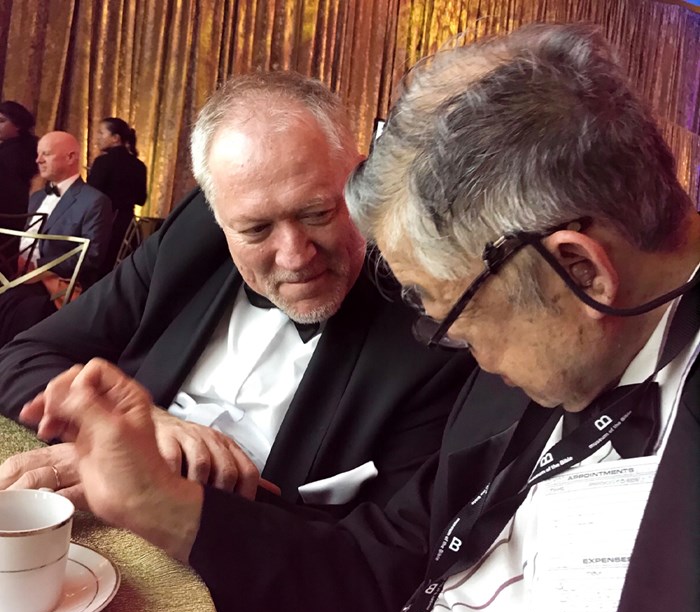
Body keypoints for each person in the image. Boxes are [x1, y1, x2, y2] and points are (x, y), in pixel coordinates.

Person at [11, 24, 699, 612]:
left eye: (453, 311)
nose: (460, 351)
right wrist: (161, 502)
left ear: (581, 272)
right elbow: (375, 570)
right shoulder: (537, 364)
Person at [0, 73, 470, 512]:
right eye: (255, 228)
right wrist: (142, 432)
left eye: (317, 214)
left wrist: (160, 482)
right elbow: (24, 357)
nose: (294, 256)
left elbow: (381, 558)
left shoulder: (430, 315)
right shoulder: (192, 239)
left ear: (363, 180)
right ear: (218, 215)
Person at [0, 131, 112, 347]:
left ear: (71, 157)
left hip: (56, 282)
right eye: (38, 153)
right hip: (16, 275)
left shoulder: (95, 201)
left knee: (18, 307)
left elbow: (92, 257)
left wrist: (38, 267)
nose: (38, 160)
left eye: (46, 154)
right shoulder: (37, 197)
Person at [87, 117, 147, 275]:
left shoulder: (103, 162)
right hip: (126, 227)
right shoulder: (139, 165)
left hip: (102, 226)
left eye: (101, 133)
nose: (97, 137)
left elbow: (91, 196)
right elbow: (141, 199)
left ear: (115, 138)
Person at [0, 101, 39, 267]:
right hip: (20, 225)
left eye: (2, 121)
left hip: (7, 225)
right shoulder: (32, 147)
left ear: (18, 126)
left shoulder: (12, 153)